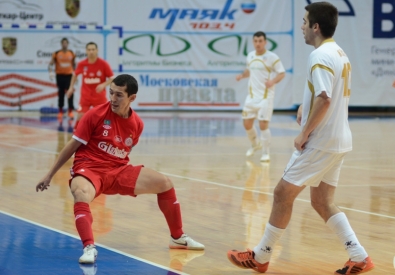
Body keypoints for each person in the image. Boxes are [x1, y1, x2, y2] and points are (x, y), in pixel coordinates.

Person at [227, 2, 374, 274]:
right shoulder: (339, 52)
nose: (302, 26)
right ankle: (359, 256)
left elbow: (325, 97)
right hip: (340, 140)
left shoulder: (319, 56)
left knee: (283, 193)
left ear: (316, 27)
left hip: (321, 140)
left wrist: (304, 132)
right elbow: (325, 93)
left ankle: (261, 257)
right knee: (322, 201)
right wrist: (305, 106)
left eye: (305, 22)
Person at [36, 74, 204, 264]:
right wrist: (49, 175)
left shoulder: (137, 124)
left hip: (118, 170)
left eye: (119, 95)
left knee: (165, 183)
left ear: (132, 98)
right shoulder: (95, 115)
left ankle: (178, 238)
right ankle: (89, 247)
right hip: (89, 168)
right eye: (111, 93)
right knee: (81, 193)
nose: (113, 99)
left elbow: (125, 150)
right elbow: (71, 146)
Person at [236, 31, 285, 162]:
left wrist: (272, 81)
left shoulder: (272, 57)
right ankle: (255, 144)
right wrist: (242, 76)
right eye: (255, 41)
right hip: (251, 97)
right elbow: (249, 71)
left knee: (263, 125)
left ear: (265, 42)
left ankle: (265, 153)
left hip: (265, 97)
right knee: (247, 124)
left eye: (260, 41)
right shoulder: (250, 56)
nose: (258, 44)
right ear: (253, 42)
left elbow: (281, 73)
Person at [66, 42, 114, 131]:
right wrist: (71, 87)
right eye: (89, 50)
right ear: (86, 51)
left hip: (99, 96)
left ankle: (104, 133)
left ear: (97, 50)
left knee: (103, 116)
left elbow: (112, 78)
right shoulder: (82, 64)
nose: (91, 51)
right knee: (81, 115)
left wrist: (103, 84)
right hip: (86, 95)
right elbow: (75, 75)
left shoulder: (103, 64)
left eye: (93, 49)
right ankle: (77, 134)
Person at [48, 37, 76, 120]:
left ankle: (70, 111)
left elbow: (74, 64)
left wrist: (75, 75)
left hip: (69, 76)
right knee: (61, 93)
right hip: (59, 75)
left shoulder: (71, 53)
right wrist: (50, 72)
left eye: (66, 43)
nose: (64, 44)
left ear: (67, 44)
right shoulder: (56, 53)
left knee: (70, 92)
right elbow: (50, 64)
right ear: (61, 44)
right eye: (63, 43)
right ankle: (60, 111)